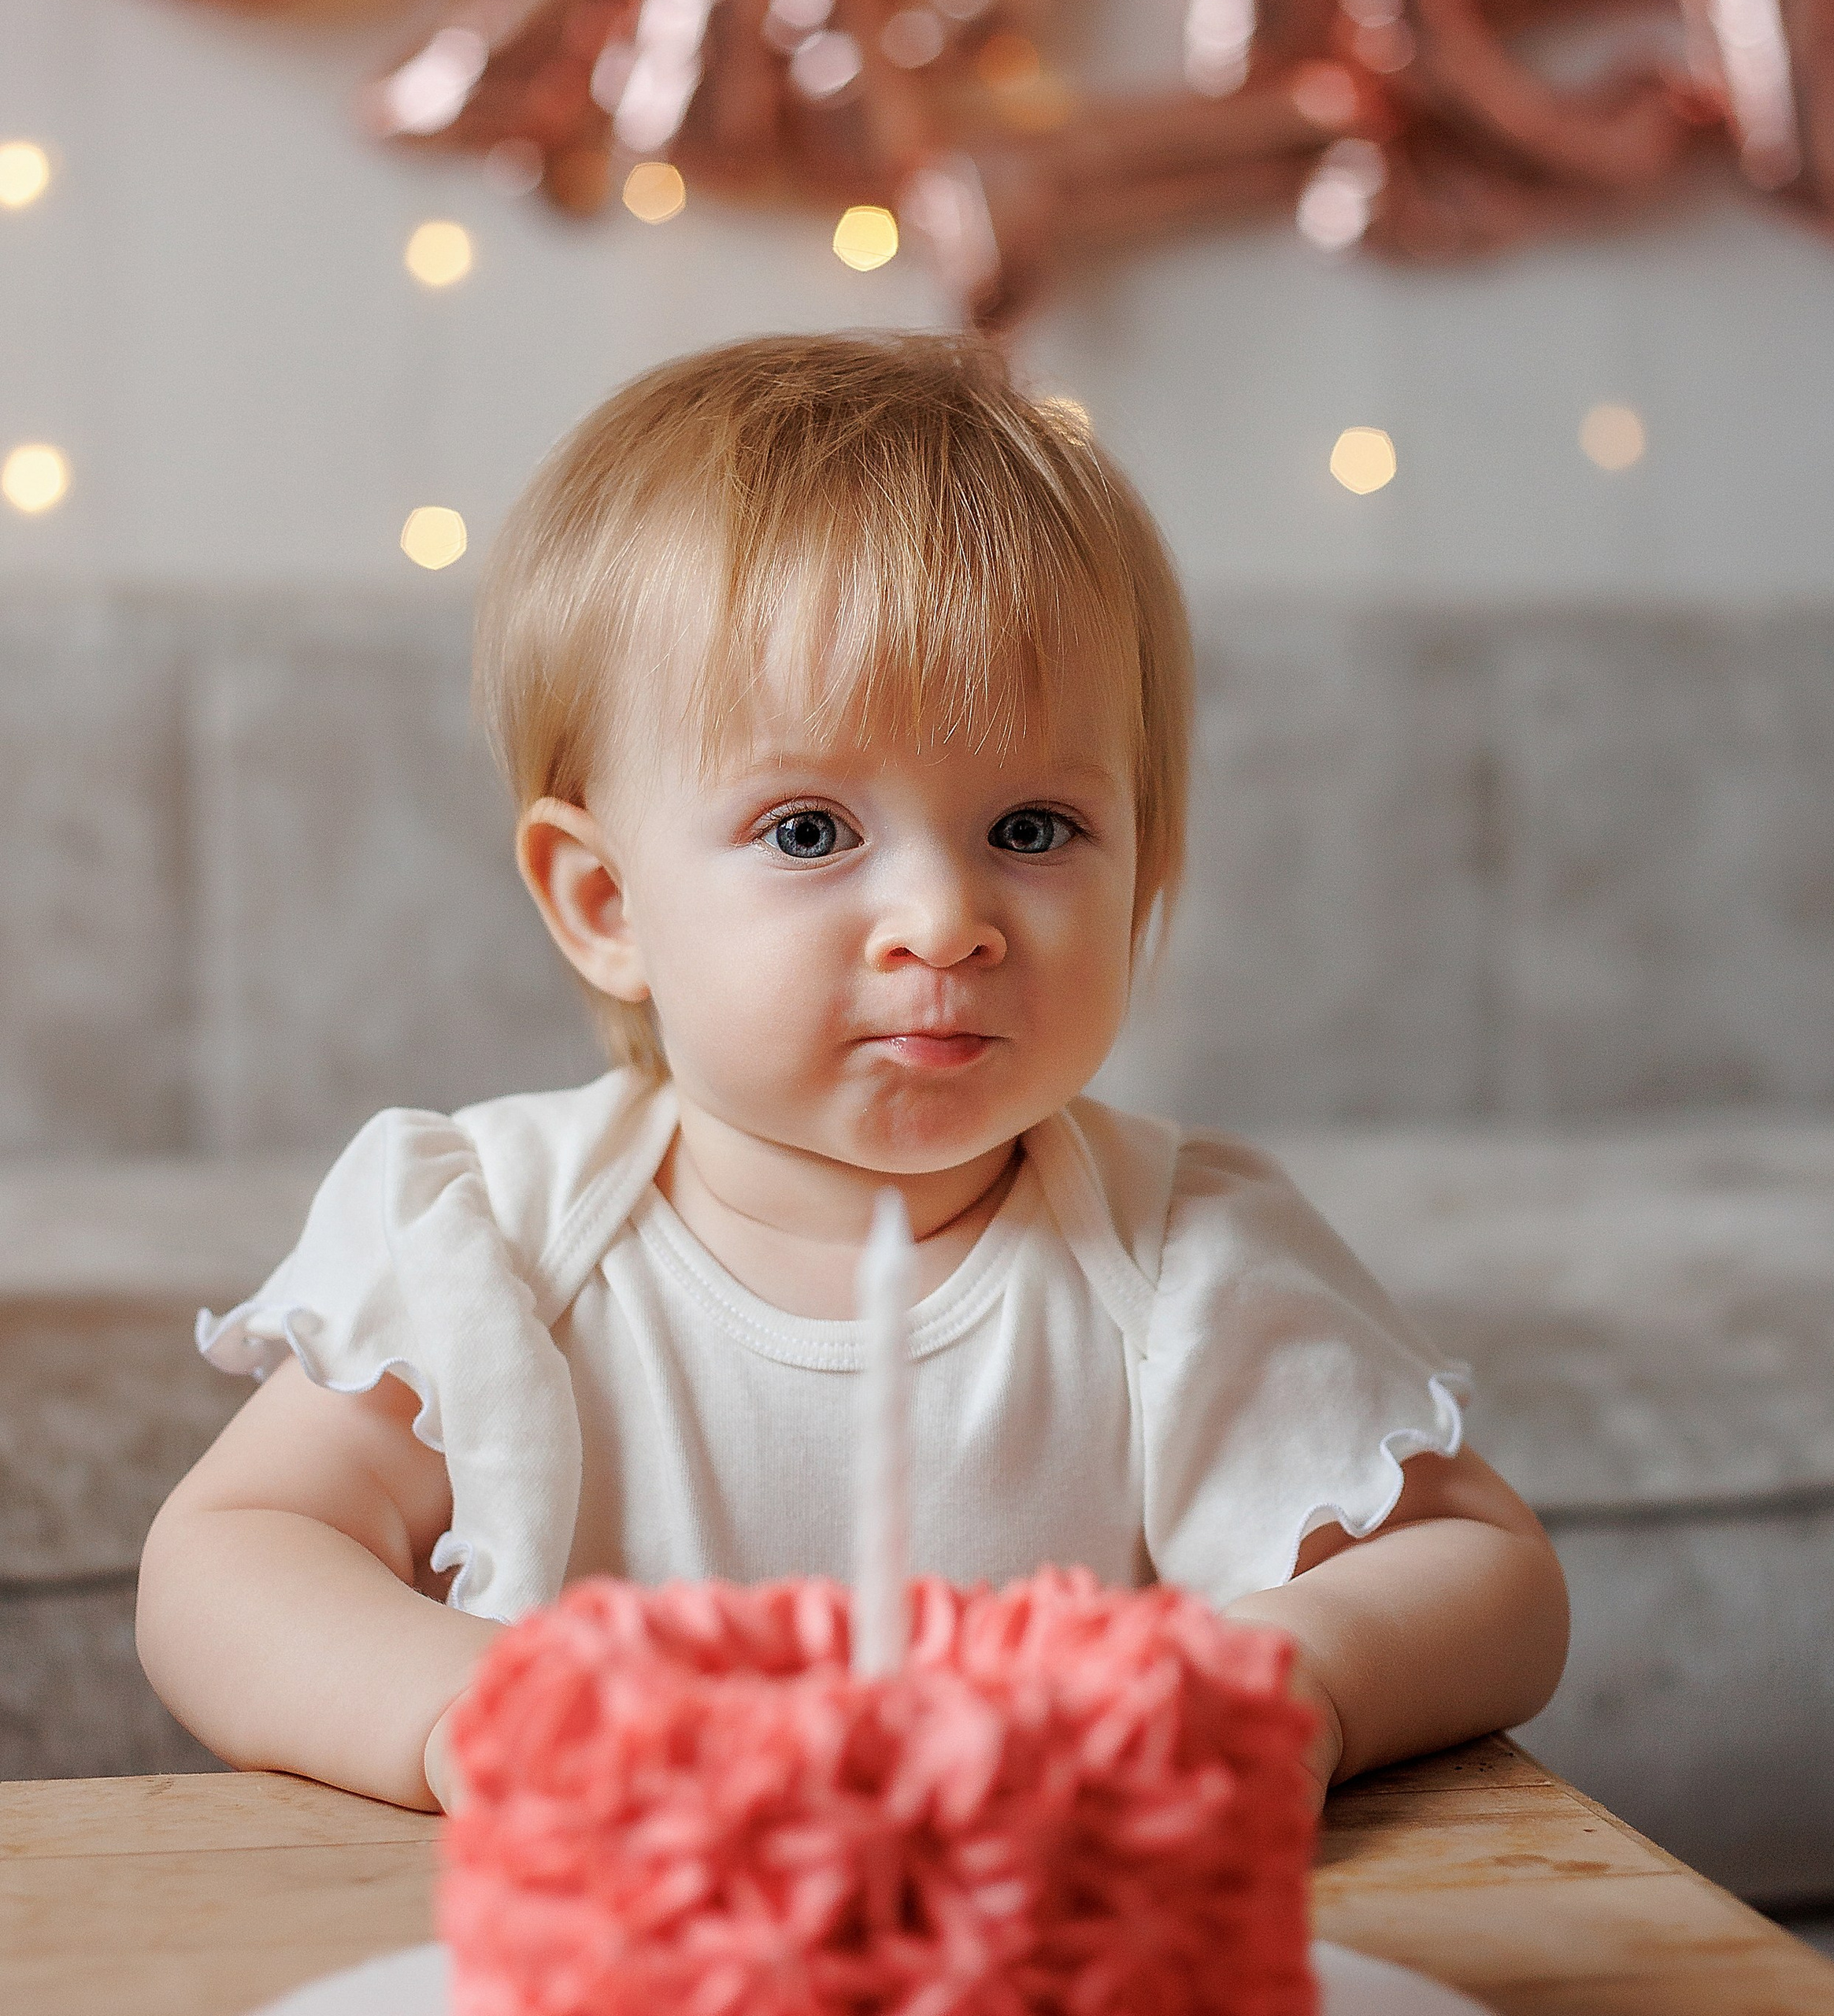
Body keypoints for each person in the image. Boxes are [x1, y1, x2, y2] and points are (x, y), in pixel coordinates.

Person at [136, 332, 1568, 1814]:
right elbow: (228, 1557)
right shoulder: (496, 1241)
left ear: (1146, 863)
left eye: (1033, 829)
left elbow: (1490, 1576)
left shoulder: (1179, 1257)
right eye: (810, 833)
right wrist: (474, 1714)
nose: (946, 921)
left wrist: (1288, 1675)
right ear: (604, 904)